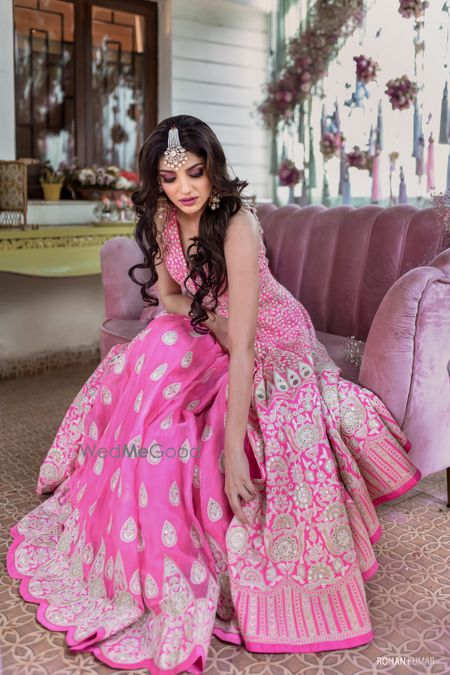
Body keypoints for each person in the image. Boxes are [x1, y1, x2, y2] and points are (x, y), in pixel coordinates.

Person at [7, 115, 421, 675]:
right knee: (151, 353)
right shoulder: (162, 214)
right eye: (170, 178)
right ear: (156, 181)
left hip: (270, 339)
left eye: (196, 174)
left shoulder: (237, 225)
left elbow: (247, 346)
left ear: (213, 170)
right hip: (217, 324)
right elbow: (171, 298)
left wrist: (231, 454)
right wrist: (212, 321)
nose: (184, 189)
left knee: (206, 400)